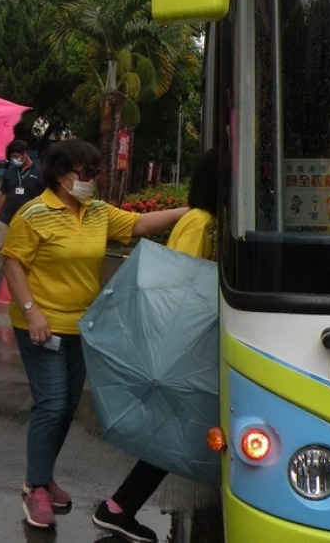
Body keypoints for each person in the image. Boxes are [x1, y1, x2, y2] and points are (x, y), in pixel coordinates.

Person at [2, 140, 189, 530]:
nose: (89, 180)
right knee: (51, 404)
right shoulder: (33, 214)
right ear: (59, 173)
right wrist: (31, 312)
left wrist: (192, 210)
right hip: (42, 327)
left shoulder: (96, 212)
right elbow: (13, 264)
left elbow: (139, 224)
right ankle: (35, 486)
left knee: (67, 408)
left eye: (93, 174)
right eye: (82, 173)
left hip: (81, 328)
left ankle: (43, 475)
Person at [93, 148, 219, 542]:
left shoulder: (206, 219)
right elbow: (185, 284)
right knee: (178, 428)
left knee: (178, 428)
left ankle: (118, 507)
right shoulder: (201, 222)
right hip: (188, 343)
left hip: (191, 341)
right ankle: (117, 507)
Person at [0, 140, 44, 295]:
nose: (14, 159)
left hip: (28, 221)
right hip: (6, 217)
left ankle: (27, 284)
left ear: (25, 154)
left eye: (17, 156)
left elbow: (44, 198)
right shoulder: (10, 171)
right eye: (12, 157)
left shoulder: (39, 173)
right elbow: (3, 194)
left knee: (24, 253)